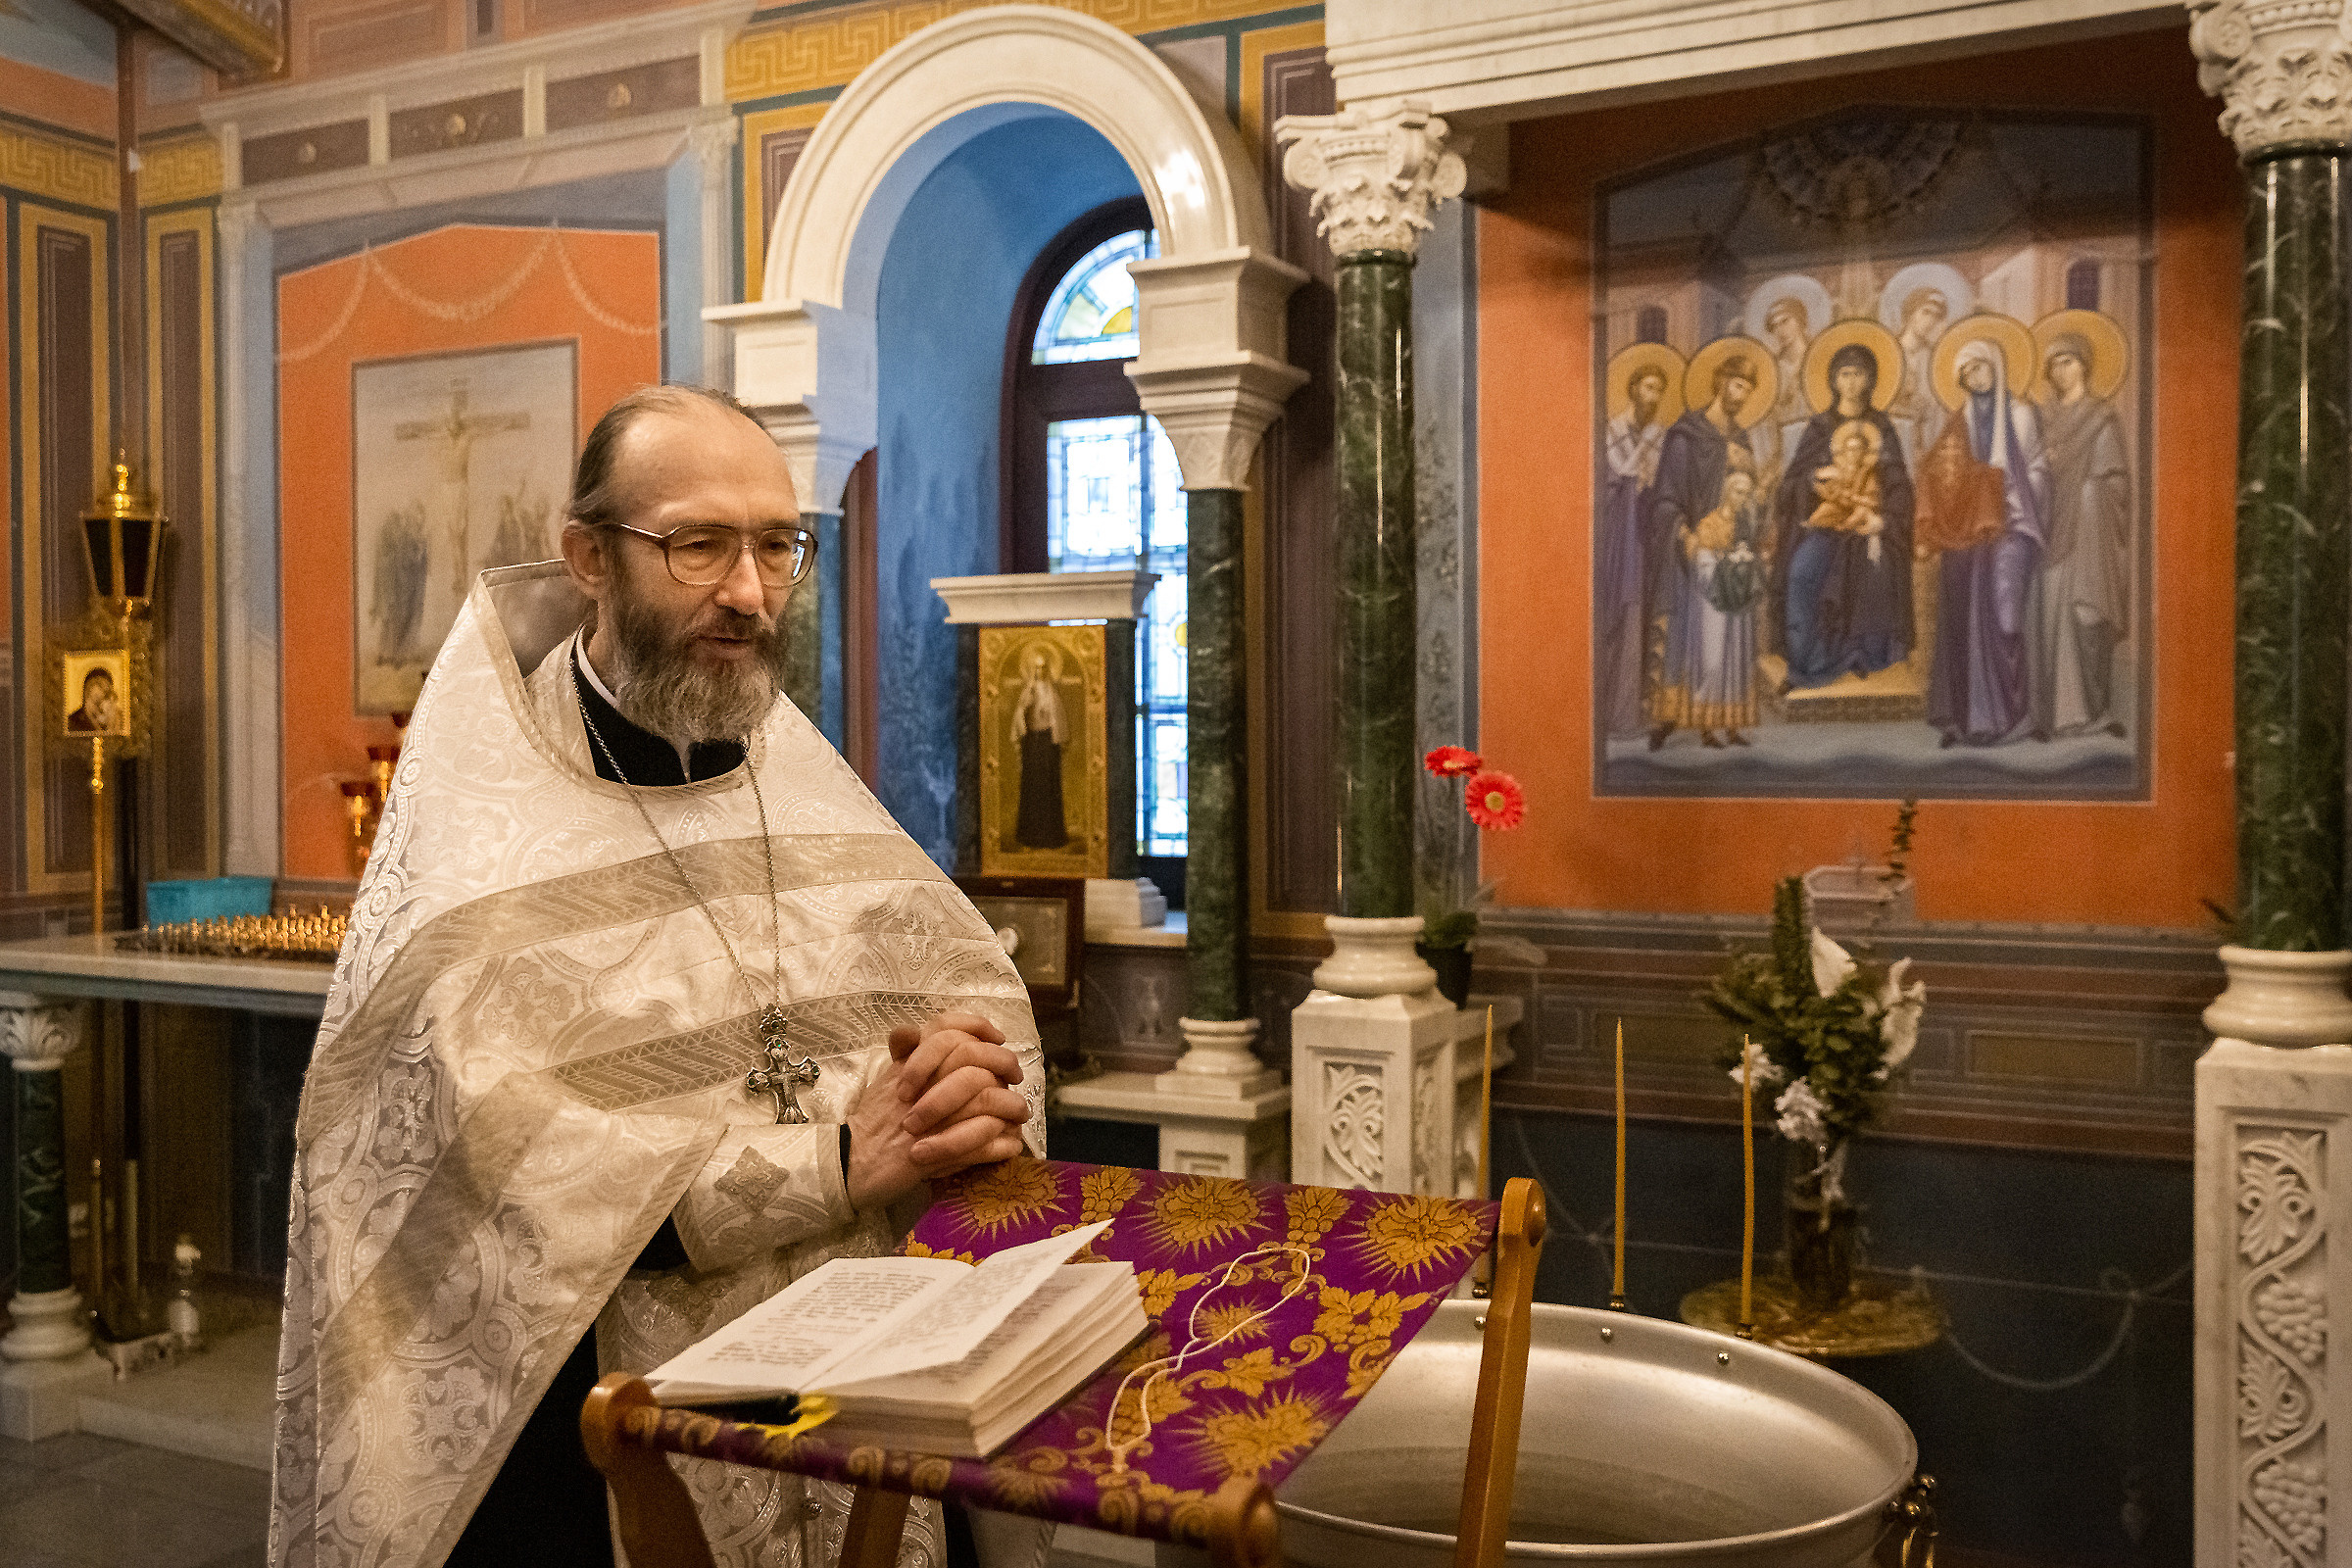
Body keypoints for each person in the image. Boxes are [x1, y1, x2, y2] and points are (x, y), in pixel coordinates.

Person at [270, 385, 1045, 1568]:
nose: (748, 592)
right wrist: (835, 1160)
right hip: (597, 1419)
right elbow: (481, 1152)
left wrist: (964, 1081)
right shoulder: (482, 830)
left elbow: (962, 999)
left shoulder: (798, 776)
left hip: (856, 1384)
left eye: (777, 545)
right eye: (698, 544)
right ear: (588, 554)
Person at [1923, 337, 2050, 747]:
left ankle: (2015, 716)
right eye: (1965, 374)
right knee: (1961, 622)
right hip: (1969, 535)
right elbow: (1941, 472)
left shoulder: (2021, 414)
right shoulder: (1959, 420)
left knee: (2006, 619)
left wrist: (2005, 491)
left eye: (1978, 367)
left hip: (2012, 527)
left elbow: (2038, 470)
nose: (1973, 378)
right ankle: (1968, 721)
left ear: (1995, 366)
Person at [1773, 342, 1915, 689]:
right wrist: (1814, 484)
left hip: (1868, 527)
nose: (1852, 383)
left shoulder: (1881, 427)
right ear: (1834, 380)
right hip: (1826, 526)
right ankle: (1809, 662)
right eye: (1845, 375)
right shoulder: (1820, 427)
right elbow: (1791, 482)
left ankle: (1862, 657)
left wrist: (1883, 520)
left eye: (1859, 375)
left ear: (1871, 380)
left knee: (1872, 570)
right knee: (1801, 573)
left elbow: (1898, 483)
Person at [1644, 353, 1757, 749]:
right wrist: (1685, 535)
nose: (1741, 396)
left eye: (1748, 389)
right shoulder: (1687, 435)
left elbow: (1750, 494)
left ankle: (1723, 720)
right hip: (1694, 550)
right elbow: (1666, 498)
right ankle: (1671, 719)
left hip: (1732, 549)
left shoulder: (1742, 438)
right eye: (1737, 385)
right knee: (1688, 636)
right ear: (1721, 381)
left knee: (1731, 638)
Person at [2033, 332, 2132, 738]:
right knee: (2050, 617)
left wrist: (2091, 491)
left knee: (2087, 615)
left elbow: (2118, 482)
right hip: (2050, 528)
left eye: (2069, 362)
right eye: (2055, 364)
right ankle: (2050, 717)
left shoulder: (2101, 417)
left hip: (2090, 535)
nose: (2062, 370)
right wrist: (2044, 469)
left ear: (2085, 366)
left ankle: (2097, 712)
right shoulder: (2041, 417)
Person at [1654, 461, 1764, 747]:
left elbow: (1751, 553)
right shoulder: (1710, 523)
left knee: (1736, 663)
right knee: (1713, 664)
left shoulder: (1745, 524)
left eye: (1747, 493)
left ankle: (1731, 726)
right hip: (1713, 603)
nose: (1744, 498)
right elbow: (1702, 564)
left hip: (1737, 603)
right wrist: (1729, 562)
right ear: (1728, 493)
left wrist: (1747, 560)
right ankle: (1706, 728)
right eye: (1739, 492)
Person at [1597, 363, 1669, 736]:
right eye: (1647, 387)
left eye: (1659, 389)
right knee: (1617, 611)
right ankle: (1611, 711)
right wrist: (1627, 485)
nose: (1652, 396)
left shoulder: (1661, 436)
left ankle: (1632, 708)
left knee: (1641, 614)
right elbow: (1609, 482)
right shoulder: (1612, 430)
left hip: (1644, 535)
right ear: (1633, 390)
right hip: (1617, 536)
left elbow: (1660, 486)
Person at [1009, 647, 1068, 849]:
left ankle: (1051, 836)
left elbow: (1057, 719)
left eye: (1043, 668)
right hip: (1033, 743)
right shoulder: (1029, 691)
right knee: (1032, 789)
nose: (1040, 672)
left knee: (1048, 789)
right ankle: (1030, 835)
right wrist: (1026, 706)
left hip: (1046, 744)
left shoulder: (1052, 693)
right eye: (1037, 668)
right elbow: (1020, 715)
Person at [67, 666, 120, 733]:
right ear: (88, 689)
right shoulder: (73, 720)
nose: (103, 690)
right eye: (99, 685)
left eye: (106, 687)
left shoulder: (115, 715)